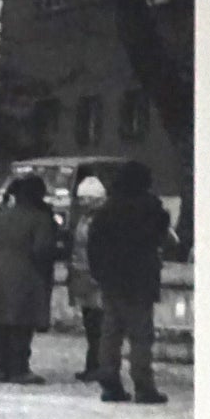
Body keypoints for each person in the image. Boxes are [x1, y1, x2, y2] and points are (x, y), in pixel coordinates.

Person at [87, 159, 173, 404]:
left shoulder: (107, 210)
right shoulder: (151, 208)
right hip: (141, 278)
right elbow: (161, 237)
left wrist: (99, 273)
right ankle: (144, 385)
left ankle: (109, 381)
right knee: (141, 335)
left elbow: (94, 244)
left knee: (111, 332)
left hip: (112, 279)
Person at [0, 172, 58, 383]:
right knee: (22, 323)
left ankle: (0, 366)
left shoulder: (0, 215)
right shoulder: (40, 218)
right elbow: (42, 249)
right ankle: (19, 368)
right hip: (27, 274)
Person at [67, 174, 107, 381]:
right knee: (91, 324)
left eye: (84, 198)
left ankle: (98, 366)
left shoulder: (99, 219)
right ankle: (92, 365)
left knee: (98, 325)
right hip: (83, 274)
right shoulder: (86, 217)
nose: (81, 202)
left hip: (95, 277)